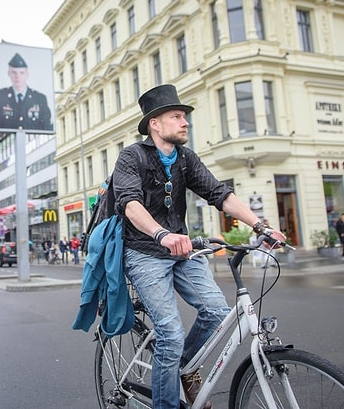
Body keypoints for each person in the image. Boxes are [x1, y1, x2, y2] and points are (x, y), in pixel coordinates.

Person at [111, 84, 286, 409]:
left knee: (218, 312)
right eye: (176, 116)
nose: (185, 122)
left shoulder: (185, 159)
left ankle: (182, 367)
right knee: (170, 333)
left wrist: (260, 226)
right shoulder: (132, 156)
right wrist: (161, 234)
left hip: (182, 251)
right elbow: (130, 204)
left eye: (185, 116)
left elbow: (220, 194)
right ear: (155, 124)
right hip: (145, 253)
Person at [0, 53, 53, 131]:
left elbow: (48, 128)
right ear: (9, 73)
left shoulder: (40, 98)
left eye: (21, 73)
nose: (17, 76)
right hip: (7, 142)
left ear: (27, 74)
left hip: (34, 143)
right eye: (14, 72)